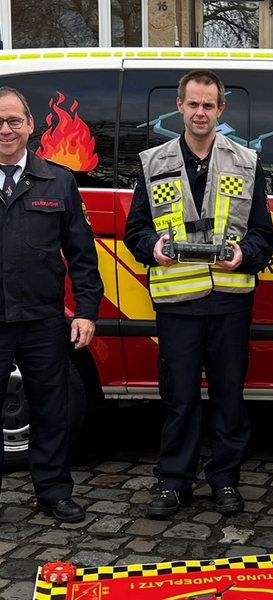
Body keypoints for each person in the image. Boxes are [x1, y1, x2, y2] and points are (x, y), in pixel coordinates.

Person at [124, 70, 273, 518]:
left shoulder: (247, 162)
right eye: (193, 104)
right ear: (179, 106)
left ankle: (226, 480)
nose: (200, 112)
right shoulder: (153, 162)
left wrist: (242, 254)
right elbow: (135, 230)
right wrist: (151, 248)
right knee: (179, 397)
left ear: (221, 109)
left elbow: (264, 236)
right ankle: (174, 482)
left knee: (230, 396)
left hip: (229, 301)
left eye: (208, 105)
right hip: (177, 305)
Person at [0, 86, 103, 523]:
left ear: (30, 126)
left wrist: (85, 310)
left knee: (51, 410)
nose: (5, 130)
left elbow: (82, 254)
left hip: (42, 318)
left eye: (13, 121)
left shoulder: (57, 180)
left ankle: (54, 492)